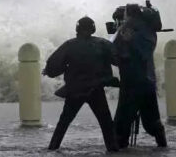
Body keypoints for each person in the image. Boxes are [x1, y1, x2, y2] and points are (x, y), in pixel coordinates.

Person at [43, 16, 120, 152]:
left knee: (64, 122)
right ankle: (113, 149)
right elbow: (118, 60)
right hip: (96, 89)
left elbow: (54, 66)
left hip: (75, 90)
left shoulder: (69, 45)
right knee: (106, 123)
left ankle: (52, 148)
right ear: (93, 29)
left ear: (77, 29)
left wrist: (48, 71)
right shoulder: (103, 44)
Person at [112, 2, 167, 148]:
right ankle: (162, 144)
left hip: (131, 82)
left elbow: (117, 54)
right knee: (152, 119)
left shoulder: (127, 30)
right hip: (148, 81)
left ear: (127, 14)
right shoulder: (149, 30)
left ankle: (121, 147)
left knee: (122, 121)